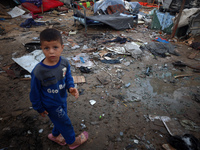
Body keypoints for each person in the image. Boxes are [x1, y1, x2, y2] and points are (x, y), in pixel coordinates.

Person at [29, 28, 88, 149]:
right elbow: (34, 92)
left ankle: (55, 135)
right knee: (65, 122)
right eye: (46, 48)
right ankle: (72, 141)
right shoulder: (38, 71)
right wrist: (39, 107)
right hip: (50, 104)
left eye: (55, 47)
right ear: (42, 48)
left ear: (62, 47)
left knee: (61, 118)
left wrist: (71, 87)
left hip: (61, 99)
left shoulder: (64, 63)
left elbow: (68, 76)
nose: (51, 52)